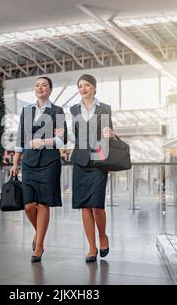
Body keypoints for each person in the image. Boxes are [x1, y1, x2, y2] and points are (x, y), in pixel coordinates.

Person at [10, 77, 67, 263]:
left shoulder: (57, 111)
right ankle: (39, 234)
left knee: (43, 204)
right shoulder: (27, 111)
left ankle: (39, 245)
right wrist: (15, 163)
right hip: (28, 163)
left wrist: (43, 141)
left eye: (44, 85)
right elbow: (20, 140)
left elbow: (61, 141)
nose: (40, 88)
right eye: (37, 85)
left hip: (49, 163)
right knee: (28, 206)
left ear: (50, 89)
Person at [66, 74, 115, 262]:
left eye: (87, 85)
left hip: (98, 161)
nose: (83, 88)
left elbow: (109, 133)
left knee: (96, 205)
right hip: (80, 160)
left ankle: (102, 236)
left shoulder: (105, 108)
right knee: (84, 206)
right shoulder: (73, 109)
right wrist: (63, 134)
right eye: (80, 86)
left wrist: (110, 133)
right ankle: (92, 247)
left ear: (94, 87)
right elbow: (75, 136)